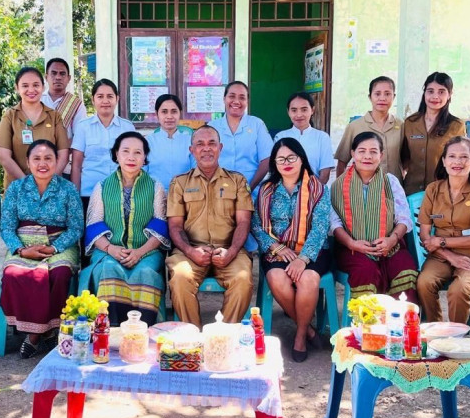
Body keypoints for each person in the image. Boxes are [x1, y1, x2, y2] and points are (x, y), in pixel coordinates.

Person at [0, 140, 84, 358]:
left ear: (57, 162)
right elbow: (6, 227)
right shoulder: (16, 188)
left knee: (60, 273)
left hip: (59, 244)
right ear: (28, 162)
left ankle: (35, 335)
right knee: (13, 273)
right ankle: (45, 331)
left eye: (48, 158)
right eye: (36, 158)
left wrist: (55, 248)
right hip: (24, 244)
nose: (42, 164)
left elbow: (76, 227)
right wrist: (21, 250)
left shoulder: (68, 189)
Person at [251, 139, 331, 362]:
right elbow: (256, 225)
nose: (286, 163)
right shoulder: (266, 190)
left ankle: (299, 336)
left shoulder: (318, 189)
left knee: (308, 279)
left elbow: (320, 227)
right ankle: (308, 330)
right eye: (281, 159)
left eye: (291, 158)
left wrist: (303, 259)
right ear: (274, 163)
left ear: (301, 158)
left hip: (312, 250)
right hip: (277, 250)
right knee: (277, 277)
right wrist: (275, 247)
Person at [166, 126, 254, 326]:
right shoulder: (179, 183)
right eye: (200, 144)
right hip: (190, 251)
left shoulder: (237, 181)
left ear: (220, 147)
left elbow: (244, 222)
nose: (206, 148)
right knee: (180, 278)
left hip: (230, 250)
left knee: (243, 279)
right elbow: (175, 226)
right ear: (192, 150)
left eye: (211, 143)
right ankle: (193, 336)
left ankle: (223, 335)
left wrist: (231, 252)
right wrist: (191, 251)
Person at [83, 132, 170, 326]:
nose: (131, 157)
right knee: (108, 269)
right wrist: (111, 249)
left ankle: (144, 330)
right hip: (108, 251)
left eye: (137, 152)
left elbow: (160, 225)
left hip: (147, 251)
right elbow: (94, 224)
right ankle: (109, 328)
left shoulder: (155, 186)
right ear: (116, 154)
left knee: (145, 272)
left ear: (144, 157)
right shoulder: (102, 186)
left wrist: (139, 252)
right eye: (126, 151)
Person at [330, 132, 418, 302]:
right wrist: (352, 243)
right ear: (353, 153)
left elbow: (404, 218)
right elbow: (334, 224)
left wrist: (392, 240)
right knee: (365, 271)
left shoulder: (390, 182)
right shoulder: (337, 186)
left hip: (391, 246)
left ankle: (398, 318)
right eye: (362, 151)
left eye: (373, 151)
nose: (367, 156)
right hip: (352, 248)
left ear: (381, 155)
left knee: (405, 270)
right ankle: (367, 318)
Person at [416, 137, 470, 324]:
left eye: (464, 157)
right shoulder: (433, 190)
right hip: (440, 256)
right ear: (444, 161)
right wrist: (450, 256)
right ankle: (435, 330)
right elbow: (425, 235)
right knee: (424, 282)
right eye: (452, 156)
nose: (457, 162)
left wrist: (441, 241)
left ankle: (456, 336)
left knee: (459, 289)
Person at [0, 66, 70, 188]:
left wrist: (47, 183)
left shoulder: (54, 116)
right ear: (17, 88)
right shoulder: (10, 116)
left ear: (43, 87)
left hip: (50, 189)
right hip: (17, 188)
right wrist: (28, 184)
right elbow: (4, 157)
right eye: (25, 86)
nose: (31, 90)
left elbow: (63, 155)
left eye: (36, 85)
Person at [70, 79, 136, 211]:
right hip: (89, 193)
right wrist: (75, 197)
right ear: (93, 100)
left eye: (110, 96)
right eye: (100, 96)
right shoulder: (83, 127)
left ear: (117, 99)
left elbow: (135, 161)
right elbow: (76, 166)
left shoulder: (127, 127)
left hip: (121, 194)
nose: (105, 101)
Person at [400, 72, 466, 195]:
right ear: (424, 93)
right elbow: (404, 159)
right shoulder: (410, 123)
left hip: (442, 193)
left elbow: (461, 162)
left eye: (441, 92)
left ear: (449, 95)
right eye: (430, 91)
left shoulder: (456, 126)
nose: (435, 96)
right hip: (411, 193)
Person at [335, 76, 403, 181]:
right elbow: (342, 162)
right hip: (361, 188)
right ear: (370, 97)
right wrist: (340, 187)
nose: (382, 98)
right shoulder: (355, 126)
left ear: (393, 97)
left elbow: (406, 161)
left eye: (387, 94)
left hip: (393, 188)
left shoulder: (401, 125)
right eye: (377, 94)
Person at [209, 81, 273, 191]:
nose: (236, 101)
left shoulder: (257, 124)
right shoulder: (212, 127)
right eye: (232, 96)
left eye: (242, 98)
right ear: (224, 99)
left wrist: (249, 188)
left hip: (251, 192)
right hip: (218, 192)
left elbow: (267, 159)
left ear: (247, 101)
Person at [273, 92, 334, 184]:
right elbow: (275, 169)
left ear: (312, 110)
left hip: (314, 189)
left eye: (304, 110)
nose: (299, 115)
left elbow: (325, 172)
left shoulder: (322, 137)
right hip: (285, 190)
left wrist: (315, 190)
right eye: (294, 110)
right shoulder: (280, 137)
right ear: (288, 112)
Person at [42, 57, 87, 175]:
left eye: (62, 74)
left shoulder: (76, 105)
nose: (58, 77)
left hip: (65, 168)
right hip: (38, 165)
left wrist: (59, 153)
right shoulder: (38, 100)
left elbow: (79, 137)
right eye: (53, 73)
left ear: (69, 78)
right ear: (46, 77)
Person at [146, 94, 193, 189]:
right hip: (153, 195)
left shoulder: (190, 141)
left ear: (180, 113)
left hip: (184, 194)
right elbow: (142, 173)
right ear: (157, 114)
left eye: (174, 111)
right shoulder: (147, 142)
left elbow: (195, 171)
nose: (169, 116)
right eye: (164, 112)